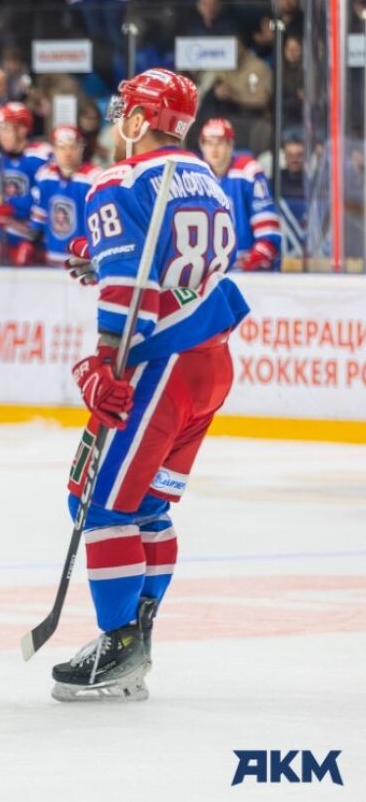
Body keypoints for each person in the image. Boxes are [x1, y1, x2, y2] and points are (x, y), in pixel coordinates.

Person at [54, 68, 250, 701]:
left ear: (140, 119)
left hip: (157, 366)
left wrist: (105, 365)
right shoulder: (211, 181)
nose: (120, 121)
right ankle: (138, 635)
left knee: (99, 503)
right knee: (148, 507)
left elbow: (130, 288)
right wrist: (105, 253)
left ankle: (119, 644)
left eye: (126, 111)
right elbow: (192, 265)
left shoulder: (118, 181)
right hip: (211, 360)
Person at [0, 102, 52, 264]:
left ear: (22, 129)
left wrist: (9, 205)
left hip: (39, 245)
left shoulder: (42, 156)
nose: (1, 135)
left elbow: (48, 200)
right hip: (4, 247)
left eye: (5, 128)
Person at [197, 118, 281, 271]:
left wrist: (255, 258)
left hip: (247, 270)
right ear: (202, 145)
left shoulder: (249, 171)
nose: (214, 149)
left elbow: (268, 231)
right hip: (209, 271)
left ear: (230, 144)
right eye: (208, 143)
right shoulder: (195, 176)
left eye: (219, 142)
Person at [29, 125, 99, 266]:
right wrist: (32, 243)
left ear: (81, 149)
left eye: (73, 147)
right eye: (62, 148)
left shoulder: (94, 177)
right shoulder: (45, 175)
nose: (68, 153)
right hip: (52, 255)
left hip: (84, 259)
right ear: (54, 150)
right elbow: (40, 215)